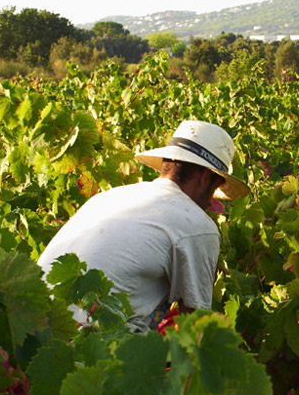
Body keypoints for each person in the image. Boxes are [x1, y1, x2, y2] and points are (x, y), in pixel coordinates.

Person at [37, 120, 249, 333]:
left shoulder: (109, 197)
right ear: (205, 178)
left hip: (37, 332)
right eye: (215, 188)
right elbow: (194, 327)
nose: (211, 201)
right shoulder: (196, 224)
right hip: (91, 347)